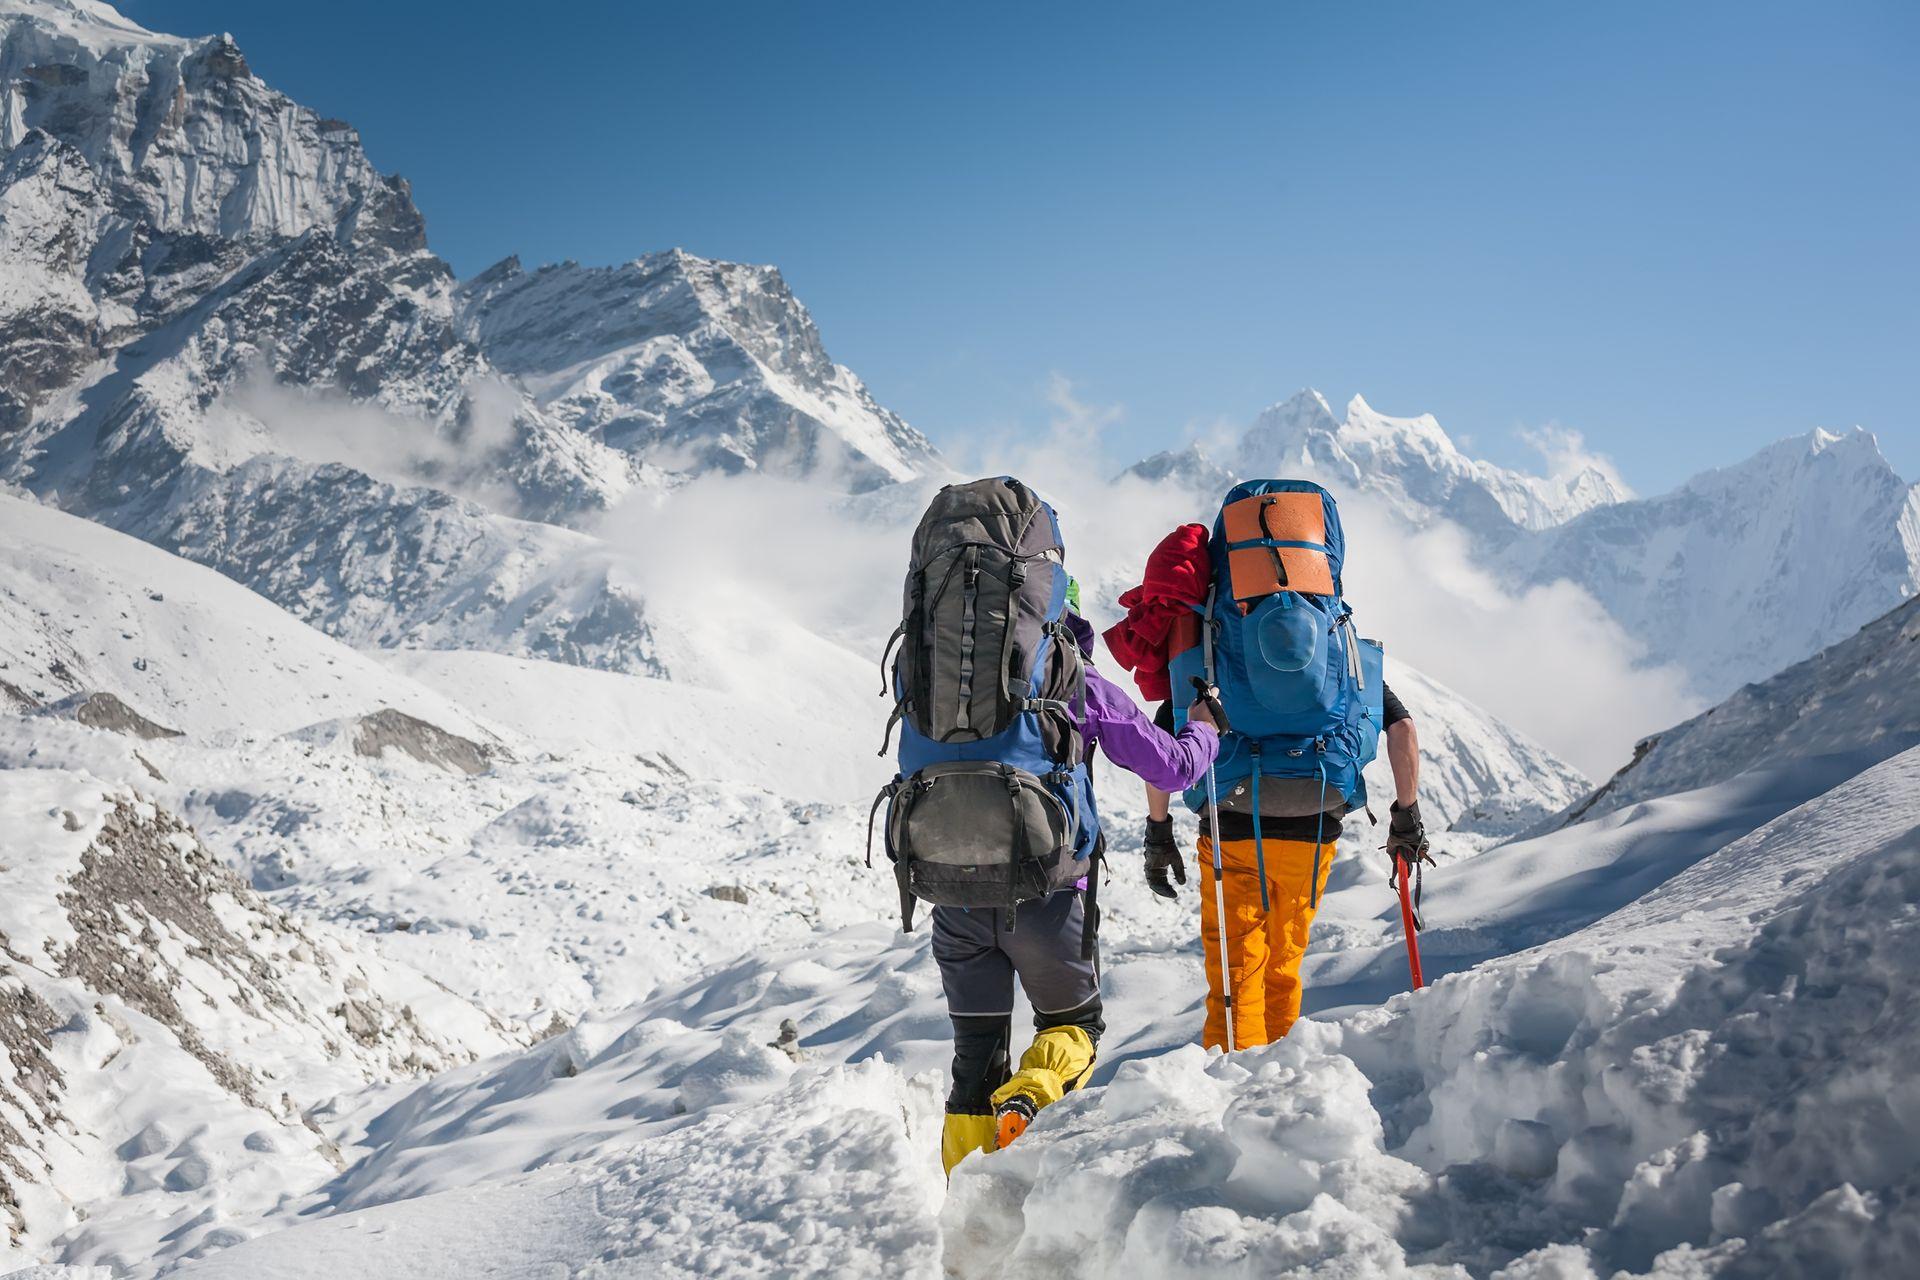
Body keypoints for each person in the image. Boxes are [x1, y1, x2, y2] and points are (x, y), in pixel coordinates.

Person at [934, 604, 1222, 1176]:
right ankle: (1032, 1094)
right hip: (1049, 899)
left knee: (974, 1061)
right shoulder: (1073, 678)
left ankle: (962, 1210)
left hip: (954, 896)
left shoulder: (940, 673)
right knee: (1075, 1029)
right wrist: (1205, 727)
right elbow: (1170, 768)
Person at [1141, 687, 1425, 1048]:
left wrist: (1159, 829)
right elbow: (1402, 727)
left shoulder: (1209, 652)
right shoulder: (1340, 649)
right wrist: (1407, 816)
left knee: (1237, 970)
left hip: (1231, 827)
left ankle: (1233, 1076)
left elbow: (1161, 747)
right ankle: (1279, 1074)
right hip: (1313, 825)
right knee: (1283, 964)